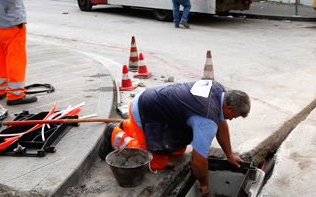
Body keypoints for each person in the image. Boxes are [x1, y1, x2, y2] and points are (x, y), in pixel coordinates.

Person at [99, 80, 250, 196]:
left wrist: (229, 155)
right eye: (234, 116)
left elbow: (221, 124)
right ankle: (114, 134)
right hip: (145, 111)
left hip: (162, 111)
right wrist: (204, 184)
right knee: (155, 162)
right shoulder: (207, 121)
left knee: (178, 151)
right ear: (228, 107)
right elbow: (198, 159)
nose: (232, 119)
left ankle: (128, 126)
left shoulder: (219, 91)